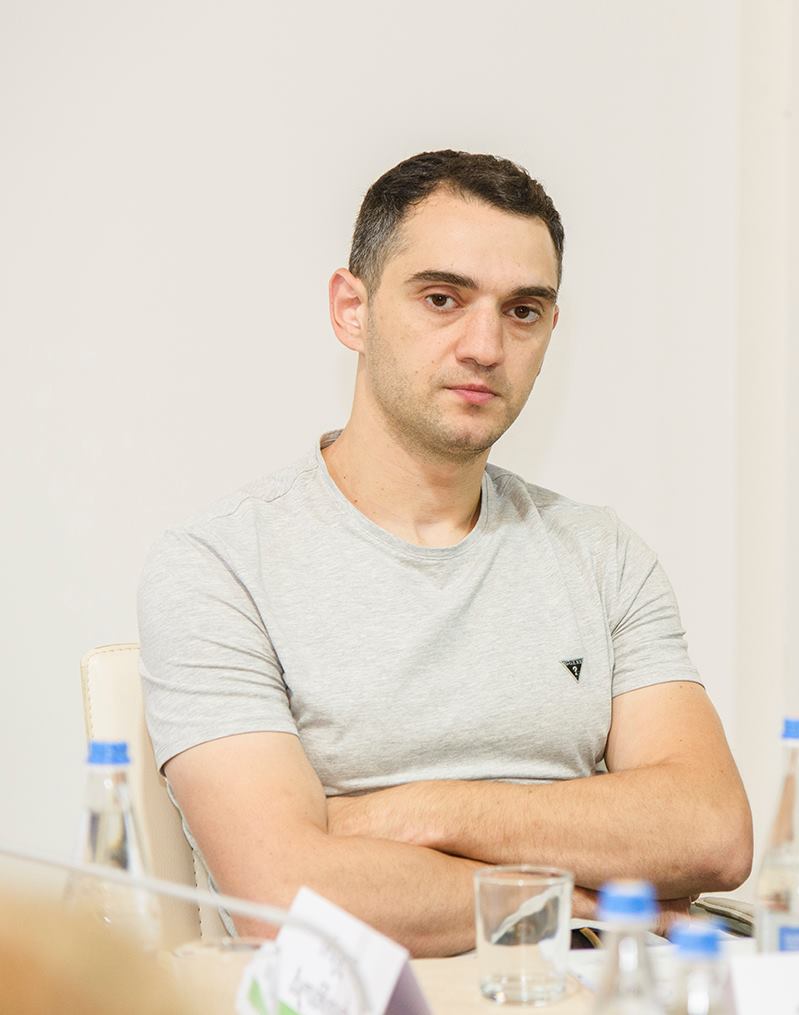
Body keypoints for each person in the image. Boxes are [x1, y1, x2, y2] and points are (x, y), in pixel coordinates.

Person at [138, 151, 752, 956]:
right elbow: (283, 898)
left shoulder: (601, 554)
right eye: (442, 299)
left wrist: (419, 811)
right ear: (352, 310)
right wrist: (577, 897)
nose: (486, 345)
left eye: (523, 310)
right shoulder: (220, 566)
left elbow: (711, 829)